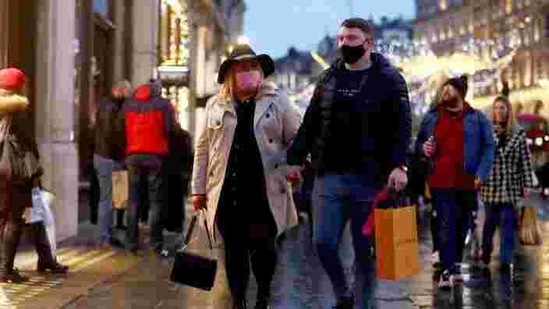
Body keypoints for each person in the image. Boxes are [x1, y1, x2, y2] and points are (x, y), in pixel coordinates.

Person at [287, 18, 411, 309]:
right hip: (328, 174)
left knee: (363, 249)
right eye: (341, 39)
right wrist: (295, 158)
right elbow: (311, 121)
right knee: (323, 242)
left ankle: (364, 304)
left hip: (370, 178)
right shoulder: (328, 78)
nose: (344, 44)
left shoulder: (390, 79)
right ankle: (344, 293)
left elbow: (401, 127)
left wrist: (399, 165)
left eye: (351, 39)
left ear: (368, 42)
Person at [191, 44, 301, 309]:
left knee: (264, 249)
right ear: (230, 73)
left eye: (253, 67)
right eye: (241, 68)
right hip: (228, 190)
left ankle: (263, 294)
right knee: (234, 251)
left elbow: (297, 139)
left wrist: (292, 168)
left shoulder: (278, 101)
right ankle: (238, 300)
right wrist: (198, 189)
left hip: (265, 189)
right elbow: (203, 148)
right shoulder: (215, 105)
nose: (248, 72)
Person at [416, 75, 495, 289]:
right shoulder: (432, 117)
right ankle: (447, 271)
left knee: (463, 225)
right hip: (440, 180)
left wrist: (482, 172)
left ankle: (456, 264)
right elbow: (419, 143)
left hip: (467, 180)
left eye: (449, 89)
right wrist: (424, 148)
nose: (444, 92)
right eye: (443, 89)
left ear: (460, 93)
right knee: (446, 222)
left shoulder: (477, 118)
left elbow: (489, 146)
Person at [0, 68, 67, 283]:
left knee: (9, 217)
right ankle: (5, 269)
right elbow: (26, 147)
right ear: (18, 87)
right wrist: (36, 172)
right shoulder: (18, 110)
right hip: (15, 174)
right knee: (15, 218)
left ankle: (43, 259)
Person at [480, 96, 534, 273]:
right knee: (489, 223)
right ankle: (486, 249)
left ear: (508, 111)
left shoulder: (518, 134)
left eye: (502, 108)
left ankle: (505, 260)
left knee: (507, 223)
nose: (499, 111)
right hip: (490, 185)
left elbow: (525, 161)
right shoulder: (487, 132)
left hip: (510, 186)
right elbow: (482, 157)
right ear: (493, 112)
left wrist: (527, 184)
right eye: (496, 108)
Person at [123, 80, 176, 255]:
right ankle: (155, 244)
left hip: (133, 156)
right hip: (155, 155)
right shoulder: (163, 104)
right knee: (155, 201)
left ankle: (131, 243)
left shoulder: (129, 104)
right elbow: (170, 128)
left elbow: (120, 128)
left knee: (133, 200)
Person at [93, 80, 131, 249]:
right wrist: (122, 152)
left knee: (116, 198)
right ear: (120, 90)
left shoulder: (108, 104)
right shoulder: (111, 107)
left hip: (107, 156)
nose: (129, 95)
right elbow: (112, 134)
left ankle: (108, 234)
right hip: (108, 157)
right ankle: (104, 237)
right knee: (107, 199)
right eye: (127, 92)